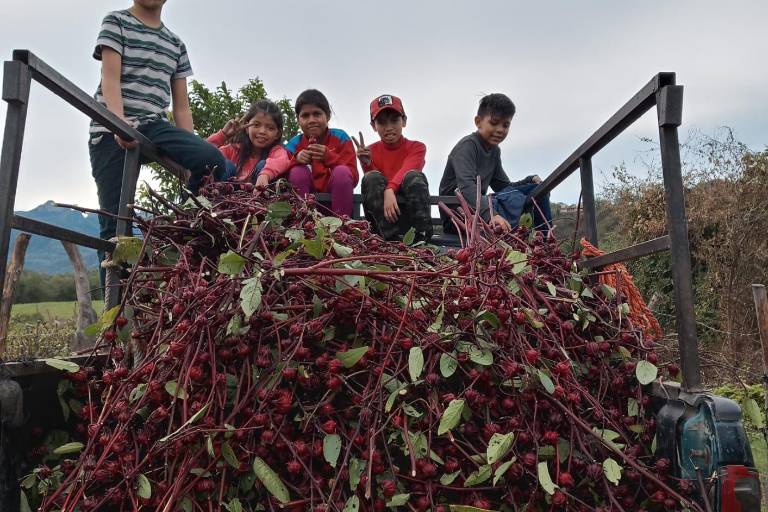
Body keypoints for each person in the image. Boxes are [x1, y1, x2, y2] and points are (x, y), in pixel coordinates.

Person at [89, 0, 224, 280]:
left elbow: (182, 107)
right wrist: (118, 122)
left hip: (153, 124)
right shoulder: (116, 22)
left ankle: (185, 225)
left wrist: (190, 152)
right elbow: (110, 79)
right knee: (115, 227)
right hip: (111, 126)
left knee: (210, 160)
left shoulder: (175, 44)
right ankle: (113, 314)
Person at [438, 93, 551, 234]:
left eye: (506, 125)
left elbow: (504, 188)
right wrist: (492, 215)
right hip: (458, 216)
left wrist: (528, 181)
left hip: (480, 209)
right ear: (478, 122)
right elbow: (466, 187)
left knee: (538, 189)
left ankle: (546, 239)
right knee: (508, 200)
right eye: (494, 123)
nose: (500, 130)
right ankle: (542, 239)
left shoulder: (494, 151)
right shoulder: (467, 146)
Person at [355, 94, 432, 242]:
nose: (389, 128)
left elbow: (408, 169)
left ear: (404, 121)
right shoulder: (369, 151)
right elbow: (373, 187)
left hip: (410, 219)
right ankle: (386, 241)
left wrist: (390, 188)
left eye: (394, 120)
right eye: (382, 122)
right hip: (384, 224)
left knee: (414, 177)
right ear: (373, 126)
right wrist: (367, 164)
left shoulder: (417, 147)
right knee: (371, 177)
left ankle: (422, 240)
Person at [284, 89, 358, 217]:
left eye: (317, 114)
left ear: (327, 116)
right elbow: (280, 178)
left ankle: (343, 227)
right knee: (297, 171)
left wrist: (329, 157)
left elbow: (353, 176)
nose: (311, 120)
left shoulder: (341, 137)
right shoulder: (293, 144)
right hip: (308, 207)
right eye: (305, 116)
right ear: (298, 119)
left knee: (342, 171)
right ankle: (302, 223)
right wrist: (296, 159)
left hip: (337, 205)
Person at [207, 100, 291, 186]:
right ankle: (217, 191)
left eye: (270, 128)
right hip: (226, 195)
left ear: (277, 134)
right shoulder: (233, 150)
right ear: (247, 128)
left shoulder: (277, 151)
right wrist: (223, 135)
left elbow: (282, 160)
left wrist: (265, 174)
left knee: (263, 164)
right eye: (256, 125)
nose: (262, 131)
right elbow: (204, 155)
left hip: (260, 195)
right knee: (226, 164)